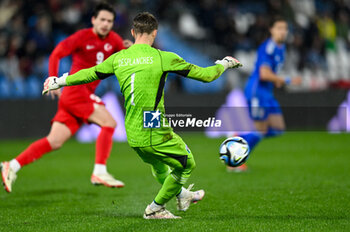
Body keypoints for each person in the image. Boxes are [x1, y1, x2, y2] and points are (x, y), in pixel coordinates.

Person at [41, 12, 242, 219]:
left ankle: (181, 195)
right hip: (153, 129)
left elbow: (90, 73)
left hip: (133, 132)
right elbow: (207, 76)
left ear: (132, 32)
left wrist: (60, 81)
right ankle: (154, 209)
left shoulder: (119, 58)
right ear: (155, 32)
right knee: (187, 163)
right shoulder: (164, 57)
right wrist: (224, 63)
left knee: (159, 165)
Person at [1, 2, 132, 193]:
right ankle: (100, 171)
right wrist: (53, 78)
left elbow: (124, 58)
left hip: (83, 95)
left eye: (109, 21)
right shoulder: (82, 37)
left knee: (54, 141)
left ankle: (11, 165)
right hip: (75, 92)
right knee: (109, 123)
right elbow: (57, 53)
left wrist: (128, 49)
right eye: (102, 19)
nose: (105, 24)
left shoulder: (114, 40)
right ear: (93, 20)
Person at [232, 17, 301, 172]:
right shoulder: (268, 47)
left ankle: (241, 136)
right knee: (260, 130)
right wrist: (286, 80)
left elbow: (271, 72)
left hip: (267, 93)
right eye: (279, 28)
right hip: (257, 91)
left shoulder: (281, 48)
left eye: (285, 28)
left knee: (277, 128)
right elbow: (263, 74)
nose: (282, 32)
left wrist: (276, 80)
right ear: (271, 30)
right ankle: (235, 160)